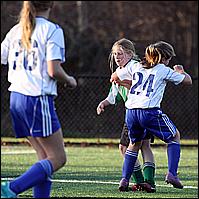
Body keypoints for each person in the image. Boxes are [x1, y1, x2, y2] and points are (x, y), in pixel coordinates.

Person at [1, 1, 77, 198]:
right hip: (36, 98)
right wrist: (69, 80)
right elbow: (53, 70)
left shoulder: (16, 30)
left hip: (16, 98)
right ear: (51, 4)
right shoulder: (52, 30)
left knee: (44, 157)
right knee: (58, 158)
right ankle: (11, 189)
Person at [110, 41, 192, 191]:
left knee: (133, 145)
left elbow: (115, 76)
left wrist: (127, 83)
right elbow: (188, 81)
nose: (169, 62)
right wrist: (180, 71)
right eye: (168, 59)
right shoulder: (163, 69)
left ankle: (124, 179)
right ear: (164, 58)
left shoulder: (136, 65)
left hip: (131, 111)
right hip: (149, 111)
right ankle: (172, 174)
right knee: (174, 137)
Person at [97, 38, 156, 192]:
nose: (117, 57)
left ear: (130, 54)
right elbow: (114, 95)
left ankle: (143, 181)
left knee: (126, 147)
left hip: (137, 112)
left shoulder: (135, 66)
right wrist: (104, 102)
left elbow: (138, 86)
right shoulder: (121, 70)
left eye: (120, 53)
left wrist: (123, 82)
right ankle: (146, 182)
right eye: (115, 54)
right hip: (144, 112)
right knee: (143, 146)